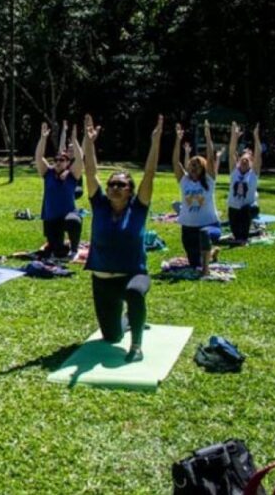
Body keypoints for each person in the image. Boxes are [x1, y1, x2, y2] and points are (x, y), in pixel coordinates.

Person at [80, 114, 162, 363]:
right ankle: (128, 320)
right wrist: (89, 142)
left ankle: (136, 347)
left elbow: (149, 174)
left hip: (132, 274)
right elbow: (90, 171)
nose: (115, 187)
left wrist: (155, 142)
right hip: (102, 281)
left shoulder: (138, 208)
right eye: (112, 184)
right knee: (111, 337)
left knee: (135, 293)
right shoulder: (100, 205)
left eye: (121, 184)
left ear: (130, 190)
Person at [173, 120, 222, 276]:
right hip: (188, 228)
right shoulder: (184, 181)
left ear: (203, 168)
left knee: (205, 234)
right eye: (191, 165)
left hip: (210, 225)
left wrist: (208, 137)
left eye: (197, 165)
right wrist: (178, 140)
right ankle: (211, 254)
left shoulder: (209, 181)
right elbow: (175, 162)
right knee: (194, 263)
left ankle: (206, 271)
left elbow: (210, 156)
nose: (193, 168)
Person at [35, 122, 84, 258]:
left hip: (68, 214)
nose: (58, 161)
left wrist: (74, 140)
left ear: (68, 163)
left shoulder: (72, 175)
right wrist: (43, 138)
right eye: (56, 159)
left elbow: (80, 160)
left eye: (62, 160)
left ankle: (74, 250)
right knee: (57, 252)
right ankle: (60, 246)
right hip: (51, 218)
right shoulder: (48, 173)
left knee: (74, 222)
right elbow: (39, 157)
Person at [226, 122, 262, 243]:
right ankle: (256, 231)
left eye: (247, 160)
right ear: (239, 161)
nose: (244, 161)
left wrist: (256, 137)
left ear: (251, 163)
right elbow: (231, 152)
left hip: (246, 210)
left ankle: (253, 230)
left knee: (242, 237)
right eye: (242, 159)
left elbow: (258, 155)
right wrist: (234, 137)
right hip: (233, 208)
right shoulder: (234, 171)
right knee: (237, 236)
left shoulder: (253, 174)